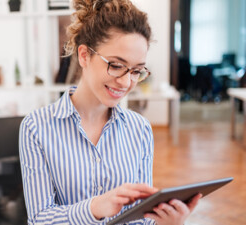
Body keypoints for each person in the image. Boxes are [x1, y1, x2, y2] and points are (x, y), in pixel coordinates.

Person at [19, 0, 202, 224]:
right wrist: (95, 208)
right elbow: (39, 219)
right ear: (85, 55)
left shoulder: (140, 129)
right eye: (116, 65)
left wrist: (166, 221)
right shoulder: (36, 127)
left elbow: (139, 216)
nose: (126, 82)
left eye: (136, 71)